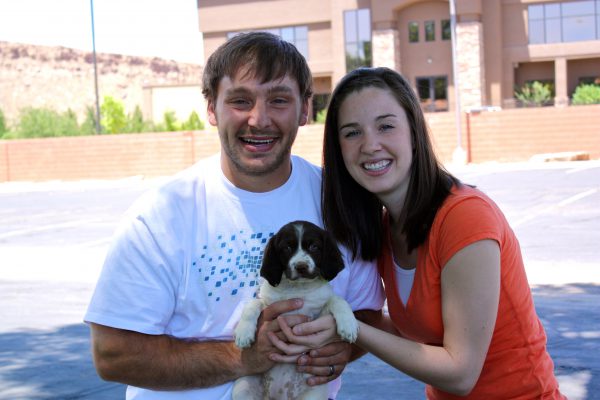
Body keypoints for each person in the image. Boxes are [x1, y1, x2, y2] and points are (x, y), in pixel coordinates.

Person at [84, 33, 384, 400]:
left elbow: (367, 314)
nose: (259, 120)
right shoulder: (161, 216)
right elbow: (112, 354)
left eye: (278, 100)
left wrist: (342, 350)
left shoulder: (341, 205)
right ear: (211, 108)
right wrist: (243, 356)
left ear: (305, 109)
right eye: (240, 100)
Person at [276, 67, 565, 399]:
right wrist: (315, 321)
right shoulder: (385, 228)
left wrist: (348, 327)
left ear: (413, 131)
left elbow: (460, 373)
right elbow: (409, 327)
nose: (370, 145)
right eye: (352, 132)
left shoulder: (465, 216)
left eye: (386, 126)